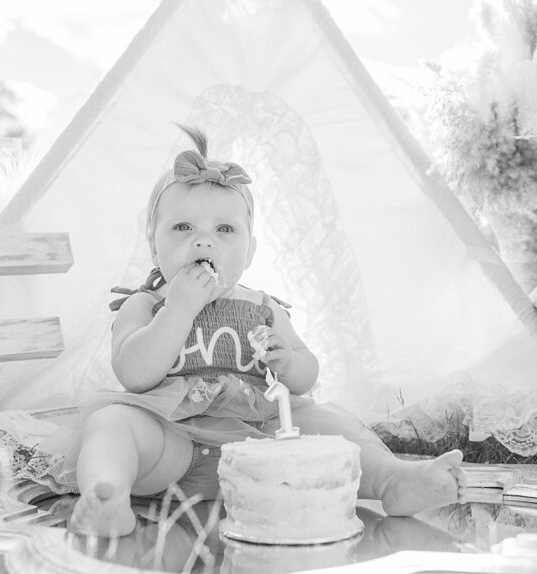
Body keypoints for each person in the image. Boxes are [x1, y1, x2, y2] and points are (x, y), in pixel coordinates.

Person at [64, 125, 466, 536]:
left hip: (261, 444)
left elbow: (308, 375)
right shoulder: (146, 305)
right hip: (172, 445)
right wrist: (177, 311)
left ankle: (393, 480)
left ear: (250, 250)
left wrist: (288, 362)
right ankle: (106, 497)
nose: (204, 242)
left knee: (332, 427)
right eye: (183, 228)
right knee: (112, 424)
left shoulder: (262, 307)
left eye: (225, 230)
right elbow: (133, 374)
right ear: (153, 244)